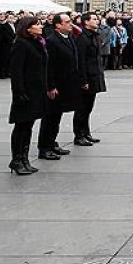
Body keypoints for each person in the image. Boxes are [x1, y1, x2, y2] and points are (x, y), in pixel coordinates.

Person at [8, 16, 48, 176]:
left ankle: (24, 158)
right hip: (25, 91)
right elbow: (16, 71)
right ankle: (16, 159)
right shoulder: (21, 44)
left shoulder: (37, 43)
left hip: (37, 90)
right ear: (28, 28)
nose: (41, 27)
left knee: (28, 126)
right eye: (37, 25)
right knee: (21, 126)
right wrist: (19, 92)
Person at [38, 13, 81, 160]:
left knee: (57, 116)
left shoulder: (69, 38)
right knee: (50, 117)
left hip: (67, 84)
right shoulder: (52, 41)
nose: (71, 24)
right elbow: (49, 66)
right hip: (56, 85)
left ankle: (52, 142)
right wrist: (50, 86)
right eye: (67, 22)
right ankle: (44, 147)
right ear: (58, 25)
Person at [74, 12, 105, 146]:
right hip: (86, 76)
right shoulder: (82, 38)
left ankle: (86, 132)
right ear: (86, 22)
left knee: (88, 107)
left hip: (94, 74)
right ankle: (79, 134)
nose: (97, 21)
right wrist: (83, 80)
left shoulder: (95, 36)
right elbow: (80, 60)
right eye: (93, 19)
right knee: (81, 108)